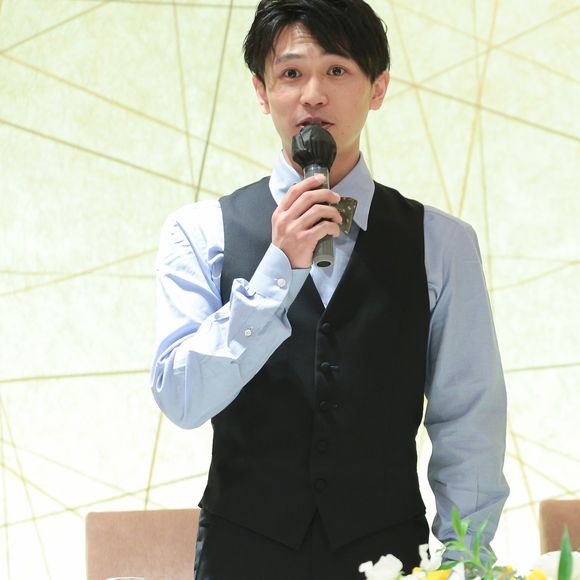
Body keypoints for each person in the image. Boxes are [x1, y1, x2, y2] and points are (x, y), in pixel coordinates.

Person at [150, 1, 509, 578]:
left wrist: (468, 560)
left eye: (337, 70)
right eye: (291, 73)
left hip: (389, 558)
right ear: (261, 91)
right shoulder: (199, 233)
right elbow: (181, 399)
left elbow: (468, 417)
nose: (313, 95)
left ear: (378, 87)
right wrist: (276, 272)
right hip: (242, 558)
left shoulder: (442, 243)